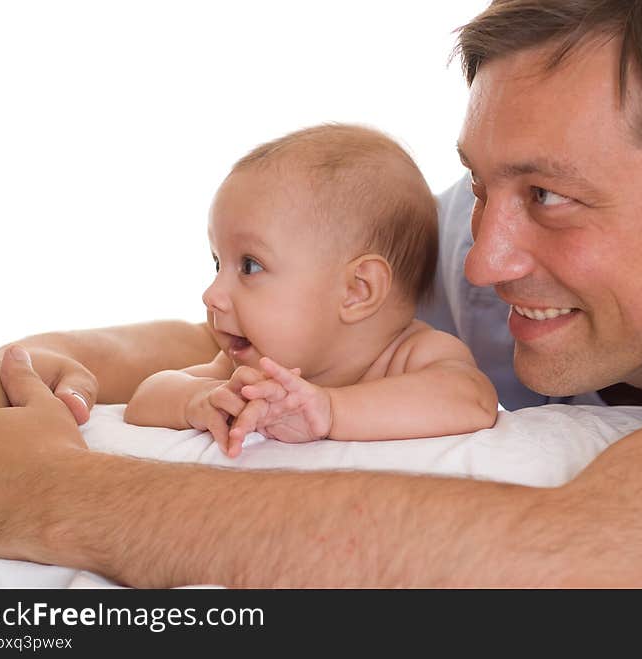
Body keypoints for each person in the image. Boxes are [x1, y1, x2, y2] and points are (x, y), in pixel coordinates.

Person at [0, 0, 642, 587]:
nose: (482, 260)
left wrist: (39, 496)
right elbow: (280, 342)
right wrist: (51, 364)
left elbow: (583, 555)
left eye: (548, 197)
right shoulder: (485, 243)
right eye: (481, 186)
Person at [123, 124, 498, 457]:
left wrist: (330, 410)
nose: (211, 294)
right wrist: (196, 400)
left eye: (250, 266)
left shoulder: (410, 356)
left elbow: (474, 400)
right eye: (218, 263)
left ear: (357, 290)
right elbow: (146, 397)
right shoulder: (244, 372)